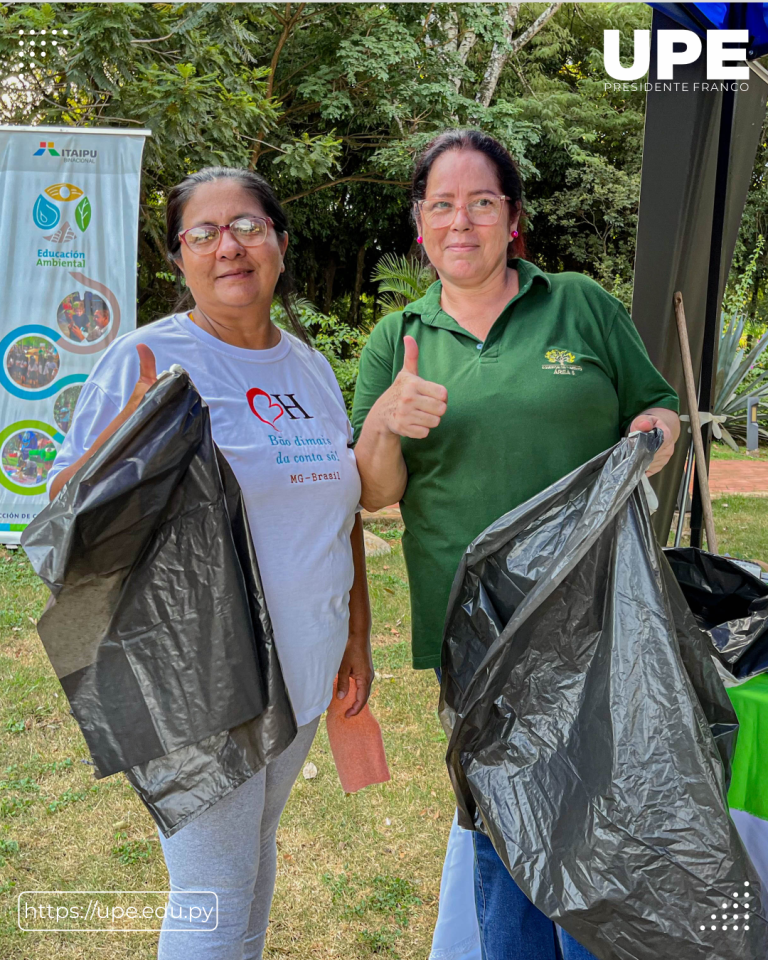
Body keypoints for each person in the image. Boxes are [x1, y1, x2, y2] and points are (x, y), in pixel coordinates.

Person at [351, 129, 680, 960]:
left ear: (512, 219)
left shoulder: (580, 305)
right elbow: (375, 492)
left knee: (605, 818)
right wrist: (388, 419)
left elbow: (659, 408)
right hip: (479, 633)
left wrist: (651, 432)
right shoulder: (399, 338)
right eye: (441, 206)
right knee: (504, 828)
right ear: (420, 225)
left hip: (599, 613)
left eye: (481, 203)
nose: (461, 221)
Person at [46, 166, 374, 960]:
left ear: (282, 245)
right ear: (180, 257)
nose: (229, 246)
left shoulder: (309, 367)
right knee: (213, 894)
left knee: (253, 858)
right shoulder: (147, 357)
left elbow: (342, 510)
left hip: (303, 667)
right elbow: (62, 518)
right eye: (205, 233)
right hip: (202, 678)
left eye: (249, 227)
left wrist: (356, 637)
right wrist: (117, 442)